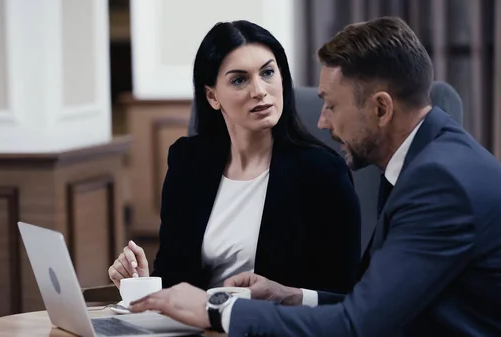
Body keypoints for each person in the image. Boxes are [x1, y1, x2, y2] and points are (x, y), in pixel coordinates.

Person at [127, 16, 501, 336]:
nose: (322, 121)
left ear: (381, 109)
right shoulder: (428, 161)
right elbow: (367, 304)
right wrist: (290, 295)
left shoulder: (439, 182)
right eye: (240, 80)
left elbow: (357, 325)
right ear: (212, 96)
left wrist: (219, 309)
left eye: (331, 105)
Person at [108, 20, 362, 297]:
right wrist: (144, 283)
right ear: (212, 96)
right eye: (239, 79)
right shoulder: (189, 162)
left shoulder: (323, 172)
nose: (259, 91)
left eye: (267, 72)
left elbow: (342, 296)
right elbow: (174, 276)